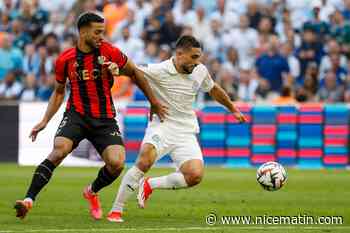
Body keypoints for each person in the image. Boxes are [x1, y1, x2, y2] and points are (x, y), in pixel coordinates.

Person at [14, 11, 167, 220]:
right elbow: (59, 92)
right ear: (83, 32)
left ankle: (92, 191)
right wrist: (44, 120)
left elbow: (135, 72)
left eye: (102, 32)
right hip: (76, 115)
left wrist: (154, 102)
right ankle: (28, 200)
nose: (101, 37)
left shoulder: (109, 52)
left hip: (104, 119)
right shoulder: (65, 59)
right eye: (97, 32)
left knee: (117, 164)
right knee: (59, 151)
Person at [107, 35, 246, 222]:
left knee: (195, 175)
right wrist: (117, 69)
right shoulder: (160, 69)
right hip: (162, 126)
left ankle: (150, 185)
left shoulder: (200, 70)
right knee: (145, 160)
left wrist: (233, 109)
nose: (198, 62)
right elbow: (134, 70)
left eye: (199, 57)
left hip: (186, 131)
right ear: (180, 54)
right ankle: (116, 210)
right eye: (194, 57)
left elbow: (213, 89)